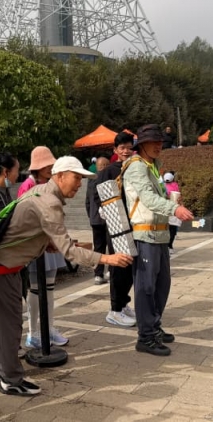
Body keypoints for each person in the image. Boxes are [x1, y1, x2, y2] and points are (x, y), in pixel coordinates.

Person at [0, 156, 133, 396]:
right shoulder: (50, 203)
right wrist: (107, 259)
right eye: (76, 177)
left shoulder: (39, 191)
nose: (80, 183)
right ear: (59, 176)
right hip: (3, 266)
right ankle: (11, 379)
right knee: (9, 323)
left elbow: (29, 227)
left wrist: (46, 242)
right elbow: (69, 251)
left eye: (82, 179)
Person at [123, 124, 194, 356]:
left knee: (162, 285)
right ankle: (146, 336)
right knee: (146, 287)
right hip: (144, 234)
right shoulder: (136, 167)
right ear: (141, 145)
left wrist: (172, 202)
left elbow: (157, 198)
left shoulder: (153, 167)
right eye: (154, 142)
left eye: (160, 142)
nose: (158, 146)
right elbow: (149, 199)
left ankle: (154, 326)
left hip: (160, 234)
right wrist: (174, 208)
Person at [17, 147, 69, 346]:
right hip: (37, 243)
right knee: (35, 289)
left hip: (51, 240)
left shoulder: (50, 184)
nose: (50, 168)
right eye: (46, 165)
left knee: (49, 288)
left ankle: (49, 328)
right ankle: (33, 332)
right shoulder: (28, 186)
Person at [90, 132, 138, 327]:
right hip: (117, 224)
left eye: (129, 147)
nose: (126, 151)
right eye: (122, 148)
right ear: (115, 150)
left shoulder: (135, 168)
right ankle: (114, 310)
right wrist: (103, 211)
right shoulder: (109, 171)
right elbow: (97, 194)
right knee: (119, 265)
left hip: (135, 222)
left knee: (130, 266)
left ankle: (123, 302)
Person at [163, 172, 181, 253]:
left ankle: (168, 245)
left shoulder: (162, 186)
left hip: (167, 210)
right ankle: (169, 245)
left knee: (169, 229)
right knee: (173, 229)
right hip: (173, 209)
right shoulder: (175, 185)